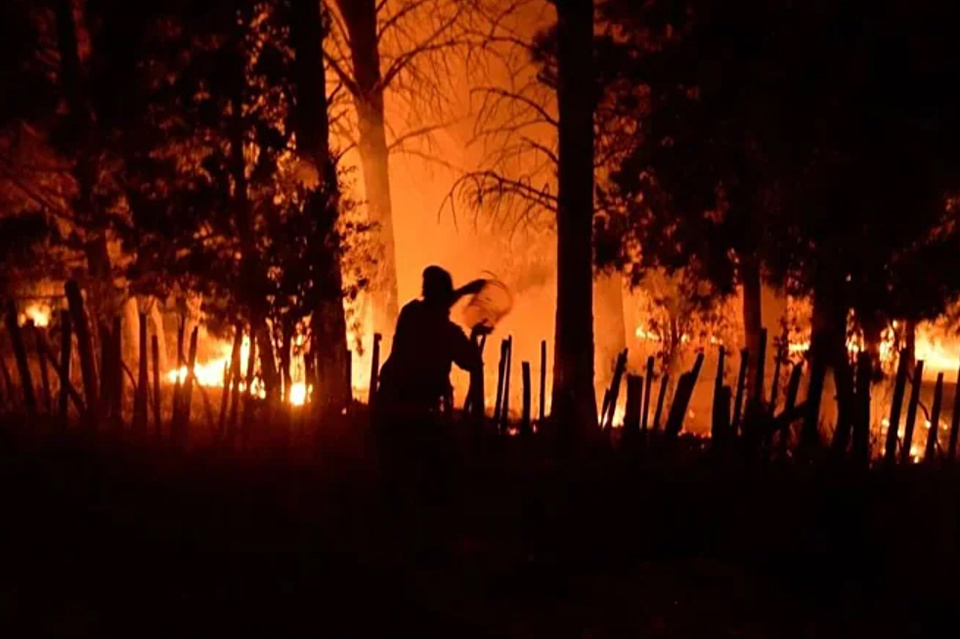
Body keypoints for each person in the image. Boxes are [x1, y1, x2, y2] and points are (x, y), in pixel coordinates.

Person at [376, 266, 488, 416]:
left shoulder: (410, 313)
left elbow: (435, 307)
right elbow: (471, 361)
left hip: (389, 402)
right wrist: (474, 334)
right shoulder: (449, 333)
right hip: (423, 410)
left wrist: (465, 291)